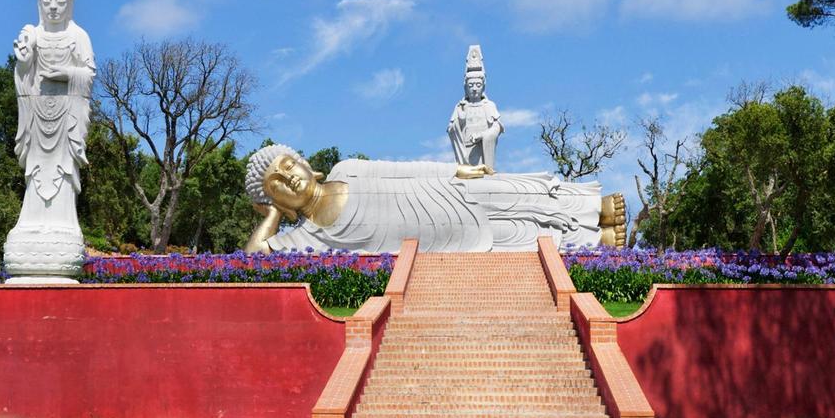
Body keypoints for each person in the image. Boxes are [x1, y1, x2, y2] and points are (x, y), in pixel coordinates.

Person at [243, 145, 626, 254]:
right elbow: (253, 254)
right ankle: (596, 239)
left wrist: (453, 171)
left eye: (289, 164)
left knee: (504, 189)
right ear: (272, 200)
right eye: (276, 183)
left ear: (308, 164)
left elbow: (401, 167)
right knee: (511, 238)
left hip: (433, 194)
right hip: (435, 237)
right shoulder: (308, 238)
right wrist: (272, 215)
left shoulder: (348, 169)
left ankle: (593, 207)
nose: (289, 176)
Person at [4, 0, 95, 280]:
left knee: (63, 176)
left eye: (60, 2)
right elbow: (24, 74)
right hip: (37, 120)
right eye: (47, 2)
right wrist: (24, 64)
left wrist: (67, 74)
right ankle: (30, 228)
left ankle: (63, 231)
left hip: (65, 124)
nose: (54, 8)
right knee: (35, 175)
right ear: (39, 3)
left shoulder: (78, 36)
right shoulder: (33, 34)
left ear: (70, 2)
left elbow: (88, 75)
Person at [447, 45, 502, 170]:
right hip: (466, 151)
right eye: (471, 85)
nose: (475, 88)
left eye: (478, 84)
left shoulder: (489, 106)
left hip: (482, 149)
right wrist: (460, 121)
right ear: (465, 87)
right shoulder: (461, 107)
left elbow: (497, 127)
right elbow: (451, 130)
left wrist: (484, 135)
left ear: (483, 86)